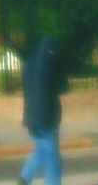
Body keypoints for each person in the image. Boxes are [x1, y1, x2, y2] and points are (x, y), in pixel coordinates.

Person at [17, 36, 64, 184]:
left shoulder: (28, 63)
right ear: (51, 50)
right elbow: (62, 86)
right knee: (52, 157)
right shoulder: (51, 63)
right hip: (47, 117)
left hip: (30, 117)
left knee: (41, 149)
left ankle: (24, 178)